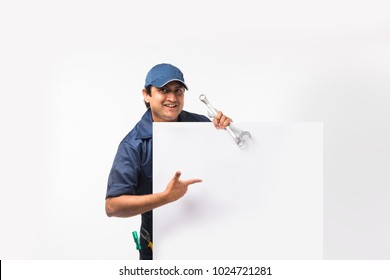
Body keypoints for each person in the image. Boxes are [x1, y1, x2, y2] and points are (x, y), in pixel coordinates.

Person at [105, 63, 232, 260]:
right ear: (146, 95)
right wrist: (166, 197)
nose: (172, 98)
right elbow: (113, 206)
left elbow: (231, 167)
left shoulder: (202, 125)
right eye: (163, 90)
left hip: (206, 237)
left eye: (178, 91)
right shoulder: (133, 145)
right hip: (160, 244)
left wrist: (228, 132)